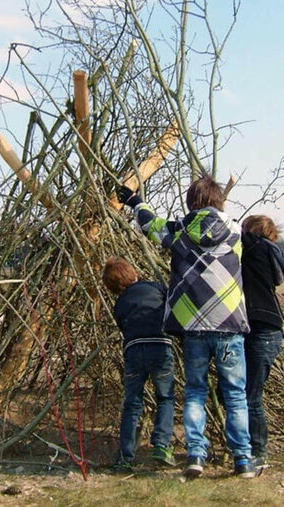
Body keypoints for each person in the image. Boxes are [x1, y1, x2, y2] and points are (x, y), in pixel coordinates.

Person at [117, 177, 256, 479]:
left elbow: (151, 225)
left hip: (193, 325)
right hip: (229, 323)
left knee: (195, 392)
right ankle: (243, 459)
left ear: (190, 202)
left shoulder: (179, 232)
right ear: (220, 200)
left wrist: (134, 201)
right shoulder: (235, 232)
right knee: (235, 395)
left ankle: (196, 455)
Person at [102, 257, 176, 471]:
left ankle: (125, 457)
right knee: (165, 397)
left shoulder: (120, 303)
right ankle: (162, 445)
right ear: (133, 273)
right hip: (159, 347)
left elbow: (122, 326)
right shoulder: (157, 288)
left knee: (132, 403)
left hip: (133, 350)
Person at [240, 215, 284, 469]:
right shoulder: (263, 252)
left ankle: (258, 452)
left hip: (264, 331)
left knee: (251, 395)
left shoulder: (256, 249)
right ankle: (244, 446)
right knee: (243, 391)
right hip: (263, 329)